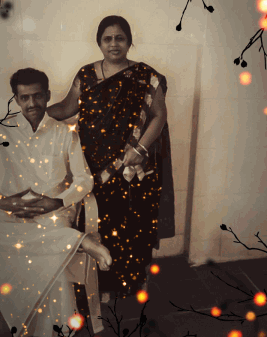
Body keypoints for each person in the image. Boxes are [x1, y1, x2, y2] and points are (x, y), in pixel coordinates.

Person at [0, 67, 112, 337]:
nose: (32, 103)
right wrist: (1, 202)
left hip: (50, 219)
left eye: (38, 96)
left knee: (51, 268)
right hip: (9, 221)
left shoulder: (65, 134)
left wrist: (56, 202)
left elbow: (84, 180)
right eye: (24, 97)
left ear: (48, 95)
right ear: (16, 99)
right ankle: (79, 241)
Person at [47, 15, 175, 301]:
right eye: (108, 38)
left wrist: (139, 150)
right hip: (93, 166)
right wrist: (35, 115)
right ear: (99, 43)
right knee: (97, 225)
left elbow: (159, 115)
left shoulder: (146, 76)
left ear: (129, 42)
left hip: (131, 165)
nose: (114, 44)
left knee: (133, 224)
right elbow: (67, 108)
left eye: (120, 38)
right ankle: (100, 285)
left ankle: (132, 282)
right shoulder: (86, 75)